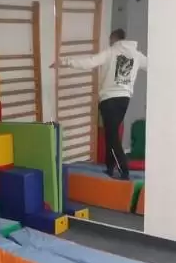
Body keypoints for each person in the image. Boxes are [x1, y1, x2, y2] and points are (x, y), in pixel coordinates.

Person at [54, 28, 147, 180]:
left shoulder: (111, 52)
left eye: (110, 40)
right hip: (124, 99)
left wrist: (65, 61)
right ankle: (110, 168)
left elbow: (90, 62)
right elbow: (151, 66)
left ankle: (124, 170)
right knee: (111, 133)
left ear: (114, 39)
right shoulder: (136, 55)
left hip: (109, 99)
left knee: (111, 135)